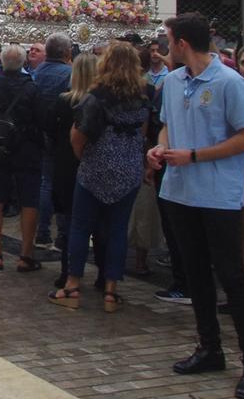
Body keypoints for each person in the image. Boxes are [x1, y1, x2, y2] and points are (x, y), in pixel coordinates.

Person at [148, 14, 244, 395]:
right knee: (195, 274)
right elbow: (167, 124)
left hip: (217, 194)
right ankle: (209, 347)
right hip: (179, 191)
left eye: (169, 39)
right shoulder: (173, 82)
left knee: (232, 277)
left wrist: (195, 154)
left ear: (182, 43)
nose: (165, 45)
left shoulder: (228, 82)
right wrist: (160, 145)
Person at [50, 42, 151, 313]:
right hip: (129, 168)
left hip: (95, 166)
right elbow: (143, 132)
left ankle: (72, 283)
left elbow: (78, 135)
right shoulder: (144, 94)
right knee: (117, 230)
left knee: (81, 227)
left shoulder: (96, 96)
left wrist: (85, 157)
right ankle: (111, 288)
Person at [0, 45, 41, 273]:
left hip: (0, 144)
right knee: (29, 200)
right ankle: (25, 255)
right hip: (26, 147)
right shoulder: (32, 88)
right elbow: (38, 117)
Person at [48, 53, 97, 289]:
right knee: (98, 221)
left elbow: (51, 130)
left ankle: (67, 272)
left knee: (67, 221)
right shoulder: (98, 102)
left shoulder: (63, 101)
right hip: (90, 162)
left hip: (66, 163)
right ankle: (104, 275)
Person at [32, 34, 72, 250]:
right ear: (67, 53)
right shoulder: (69, 74)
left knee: (45, 182)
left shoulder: (36, 72)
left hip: (41, 132)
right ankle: (62, 234)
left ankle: (42, 232)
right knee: (61, 183)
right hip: (62, 135)